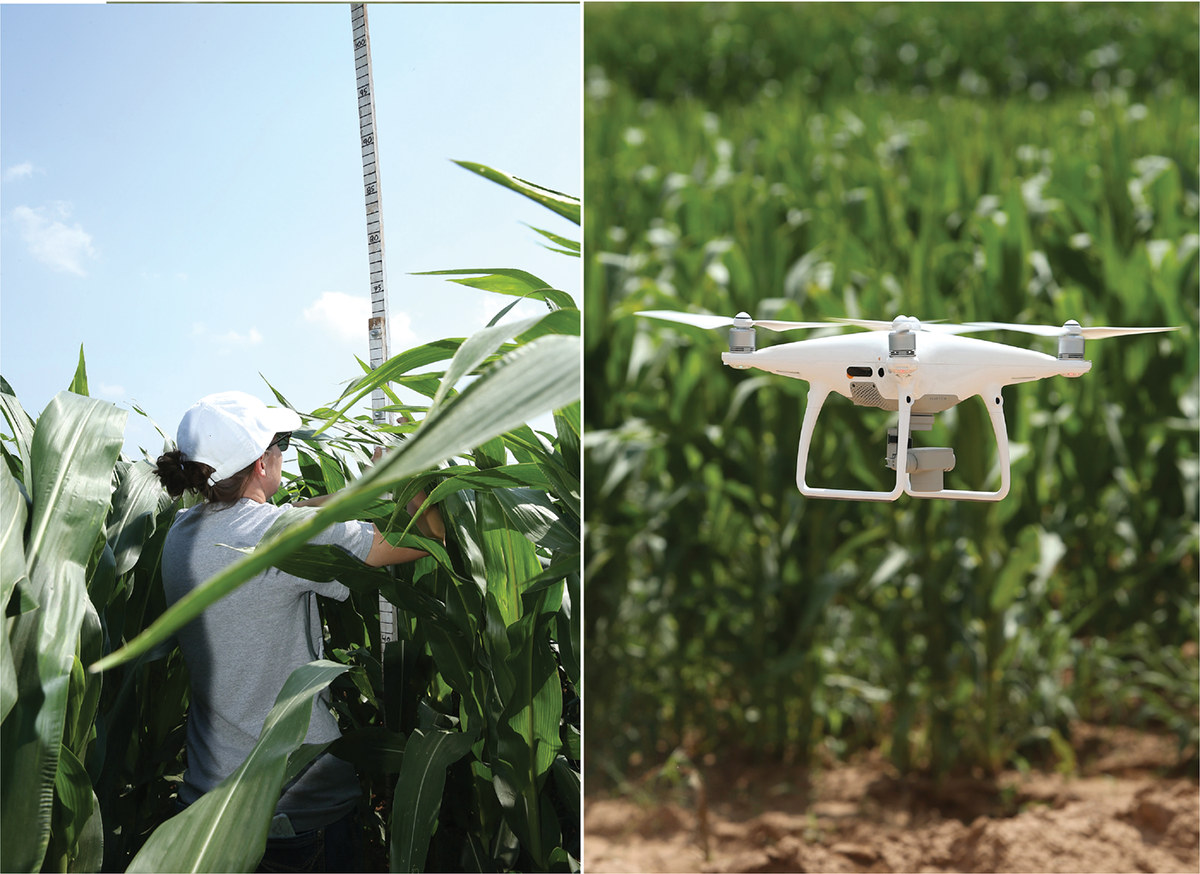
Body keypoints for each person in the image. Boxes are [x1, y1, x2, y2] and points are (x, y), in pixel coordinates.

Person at [153, 390, 443, 873]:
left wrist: (370, 487)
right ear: (262, 462)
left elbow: (302, 509)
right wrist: (409, 473)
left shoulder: (179, 534)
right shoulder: (281, 538)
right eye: (281, 442)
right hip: (295, 810)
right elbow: (427, 538)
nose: (283, 453)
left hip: (206, 808)